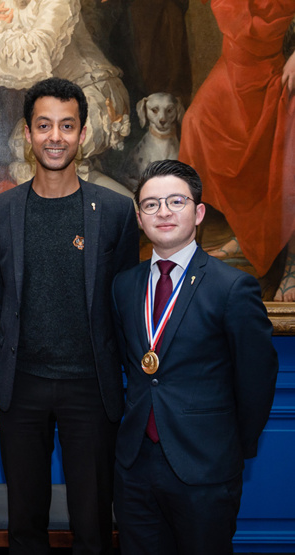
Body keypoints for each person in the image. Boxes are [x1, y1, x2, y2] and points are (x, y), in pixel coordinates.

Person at [0, 77, 139, 554]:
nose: (56, 136)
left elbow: (123, 299)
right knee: (25, 527)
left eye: (67, 126)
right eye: (44, 125)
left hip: (92, 388)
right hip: (22, 385)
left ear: (83, 133)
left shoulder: (114, 211)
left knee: (93, 526)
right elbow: (2, 300)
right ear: (27, 134)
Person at [111, 159, 279, 554]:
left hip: (206, 466)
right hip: (135, 466)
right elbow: (130, 365)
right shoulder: (124, 286)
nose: (163, 212)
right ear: (139, 217)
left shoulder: (233, 287)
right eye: (151, 204)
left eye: (176, 201)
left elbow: (257, 378)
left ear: (199, 212)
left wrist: (232, 449)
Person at [0, 0, 132, 195]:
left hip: (96, 97)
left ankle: (133, 210)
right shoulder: (8, 5)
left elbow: (33, 52)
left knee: (45, 158)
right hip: (65, 106)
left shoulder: (57, 3)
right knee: (27, 150)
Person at [178, 1, 295, 300]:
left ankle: (293, 263)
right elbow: (237, 22)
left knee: (288, 148)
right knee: (196, 123)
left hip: (281, 64)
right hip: (237, 66)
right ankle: (243, 236)